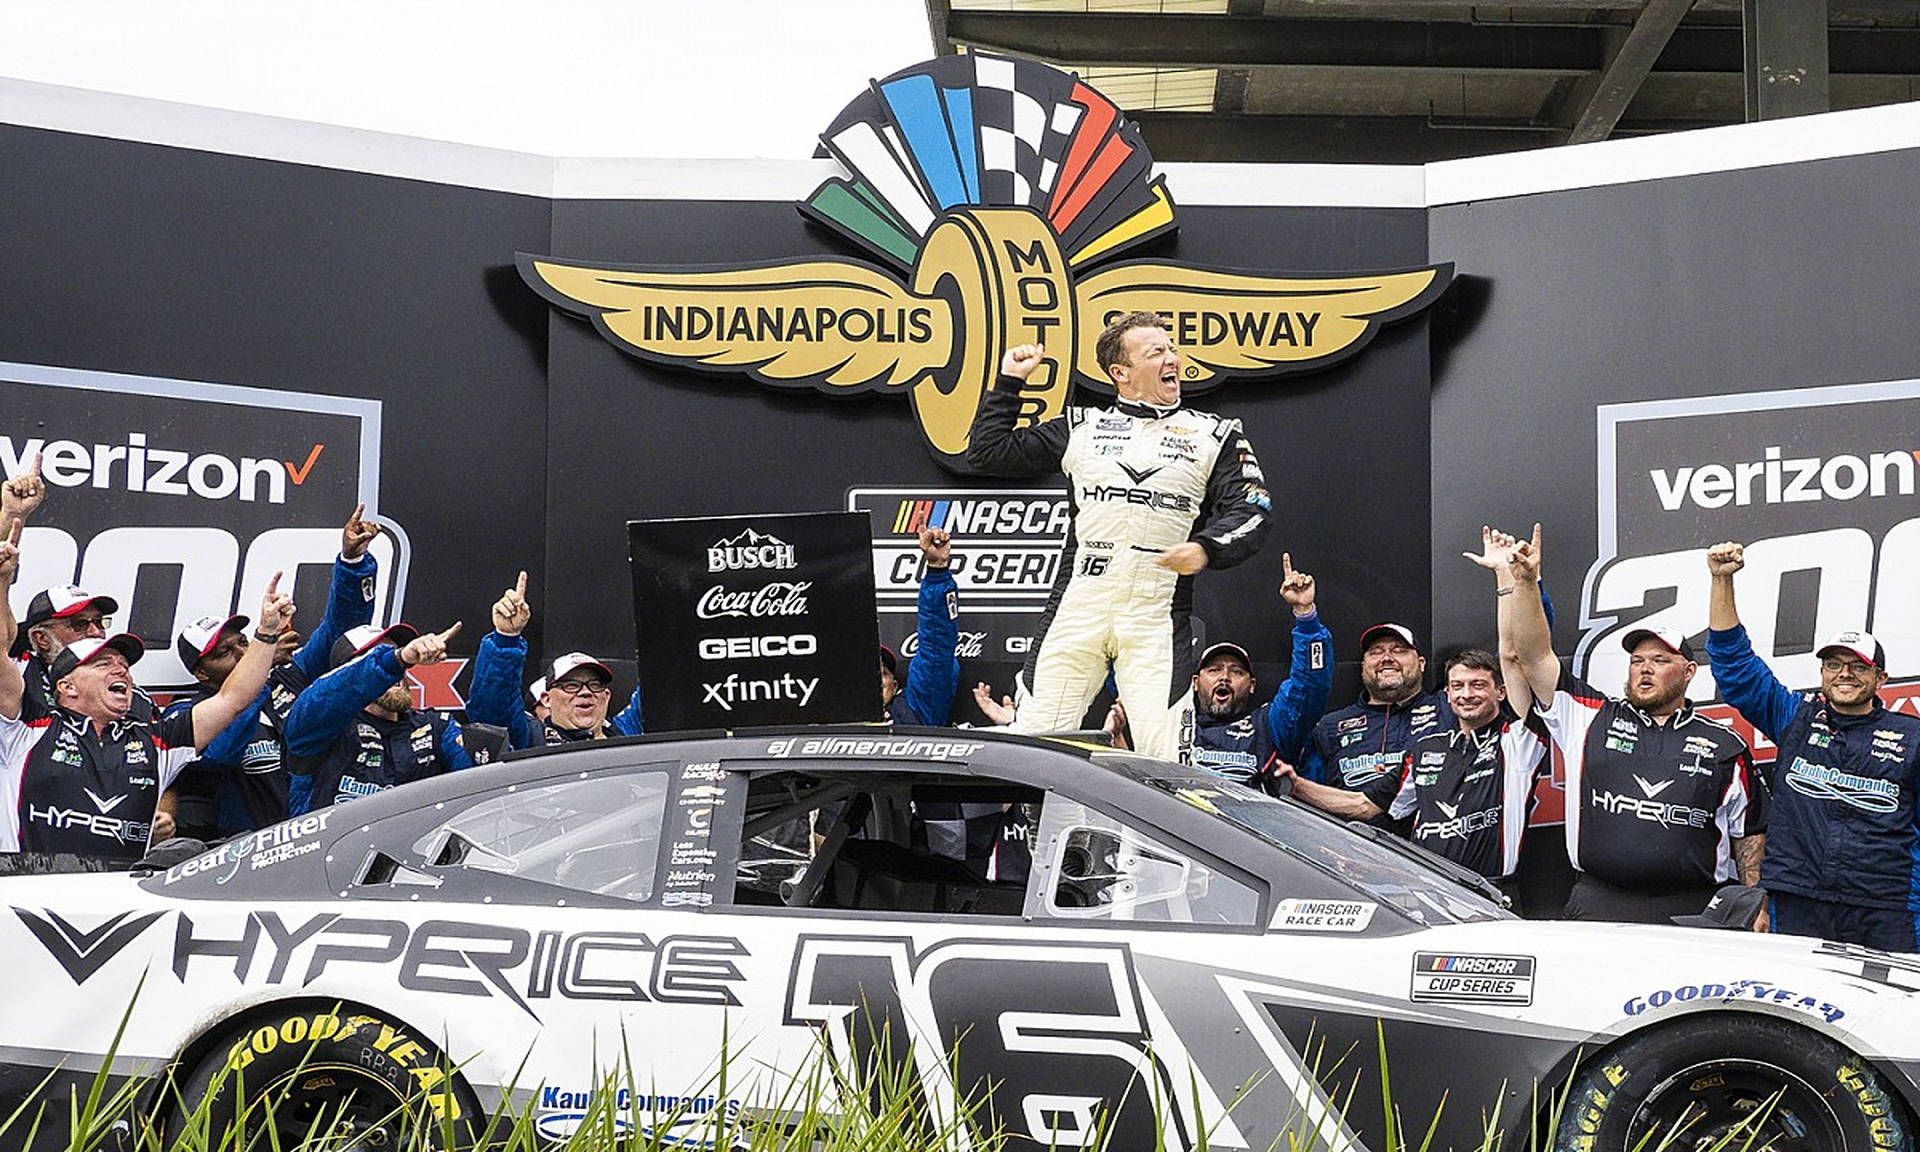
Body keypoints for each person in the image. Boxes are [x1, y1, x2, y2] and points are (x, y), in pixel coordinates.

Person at [966, 311, 1272, 762]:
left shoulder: (1215, 434)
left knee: (1167, 759)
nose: (1173, 358)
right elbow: (987, 453)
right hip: (1079, 606)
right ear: (1120, 373)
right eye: (1157, 352)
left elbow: (1254, 508)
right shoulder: (1080, 427)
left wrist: (1207, 548)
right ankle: (1037, 834)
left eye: (1171, 348)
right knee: (1035, 748)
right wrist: (1010, 382)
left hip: (1155, 617)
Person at [1488, 524, 1765, 927]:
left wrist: (1755, 900)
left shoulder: (1723, 743)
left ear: (1689, 672)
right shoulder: (1589, 715)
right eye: (1637, 661)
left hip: (1692, 908)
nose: (1645, 669)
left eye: (1659, 660)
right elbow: (1532, 657)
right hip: (1600, 901)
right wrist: (1527, 582)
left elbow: (1749, 832)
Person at [0, 524, 294, 860]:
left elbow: (232, 699)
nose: (119, 669)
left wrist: (267, 633)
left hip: (122, 898)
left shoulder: (156, 740)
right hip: (25, 893)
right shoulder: (27, 726)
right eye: (101, 664)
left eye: (123, 662)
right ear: (65, 686)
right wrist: (2, 581)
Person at [1704, 540, 1920, 951]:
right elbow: (1735, 668)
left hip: (1886, 906)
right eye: (1834, 664)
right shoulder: (1796, 719)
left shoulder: (1912, 738)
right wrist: (1721, 581)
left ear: (1881, 679)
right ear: (1821, 672)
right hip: (1798, 897)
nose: (1845, 674)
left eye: (1859, 666)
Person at [162, 504, 382, 835]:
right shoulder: (189, 714)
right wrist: (260, 674)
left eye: (242, 642)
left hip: (323, 834)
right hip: (250, 854)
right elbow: (221, 756)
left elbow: (341, 632)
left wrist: (353, 563)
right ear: (201, 673)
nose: (241, 652)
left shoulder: (290, 675)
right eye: (225, 652)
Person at [1278, 649, 1547, 901]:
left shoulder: (1518, 741)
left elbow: (1520, 657)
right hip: (1431, 894)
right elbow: (1364, 805)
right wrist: (1297, 785)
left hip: (1491, 892)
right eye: (1457, 686)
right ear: (1448, 694)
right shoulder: (1425, 750)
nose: (1466, 694)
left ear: (1501, 692)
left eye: (1478, 685)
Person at [281, 621, 470, 814]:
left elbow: (477, 781)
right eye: (382, 657)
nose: (396, 670)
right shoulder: (321, 728)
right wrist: (395, 660)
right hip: (331, 843)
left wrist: (502, 641)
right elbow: (317, 703)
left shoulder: (436, 726)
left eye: (396, 652)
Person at [1191, 553, 1331, 789]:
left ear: (1252, 685)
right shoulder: (1172, 724)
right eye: (1214, 670)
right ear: (1195, 682)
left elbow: (1309, 687)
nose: (1224, 677)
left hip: (1242, 824)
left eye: (1236, 672)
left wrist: (1305, 614)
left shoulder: (1267, 726)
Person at [1298, 623, 1451, 828]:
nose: (1387, 658)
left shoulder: (1448, 710)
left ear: (1422, 663)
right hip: (1351, 850)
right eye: (1376, 652)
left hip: (1428, 852)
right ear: (1363, 666)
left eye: (1399, 650)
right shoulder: (1329, 727)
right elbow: (1311, 806)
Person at [465, 572, 643, 747]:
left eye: (595, 685)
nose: (585, 692)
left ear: (607, 696)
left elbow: (660, 681)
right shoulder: (533, 740)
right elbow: (493, 711)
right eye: (571, 685)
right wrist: (506, 637)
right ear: (546, 699)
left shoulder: (626, 733)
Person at [882, 527, 960, 726]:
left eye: (882, 674)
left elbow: (936, 645)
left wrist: (937, 569)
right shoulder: (828, 720)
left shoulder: (913, 709)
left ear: (894, 685)